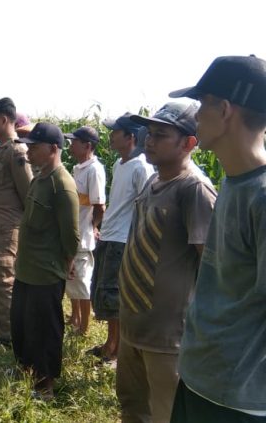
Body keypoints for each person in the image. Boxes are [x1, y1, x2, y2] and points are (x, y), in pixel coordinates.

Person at [170, 55, 266, 422]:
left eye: (202, 103)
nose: (196, 116)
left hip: (236, 402)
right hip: (200, 381)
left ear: (225, 109)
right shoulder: (232, 180)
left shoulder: (262, 196)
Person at [112, 103, 217, 423]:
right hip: (133, 326)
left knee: (166, 414)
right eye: (150, 133)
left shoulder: (194, 189)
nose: (150, 141)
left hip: (168, 338)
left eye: (161, 135)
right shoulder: (152, 181)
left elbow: (212, 268)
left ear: (189, 143)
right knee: (132, 408)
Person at [12, 122, 79, 400]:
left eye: (34, 147)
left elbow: (71, 236)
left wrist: (67, 262)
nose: (29, 152)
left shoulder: (62, 184)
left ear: (53, 149)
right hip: (26, 268)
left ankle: (45, 386)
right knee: (22, 326)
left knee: (44, 331)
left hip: (46, 272)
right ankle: (27, 372)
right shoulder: (40, 178)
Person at [88, 113, 154, 362]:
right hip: (109, 235)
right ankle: (110, 342)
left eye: (116, 132)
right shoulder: (119, 164)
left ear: (131, 137)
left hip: (122, 240)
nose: (111, 136)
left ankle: (115, 350)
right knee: (103, 292)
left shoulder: (141, 167)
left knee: (114, 296)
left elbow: (146, 206)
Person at [0, 97, 33, 347]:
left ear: (3, 120)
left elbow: (28, 195)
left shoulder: (17, 151)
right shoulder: (2, 148)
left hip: (6, 229)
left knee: (3, 280)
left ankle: (8, 335)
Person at [64, 126, 106, 336]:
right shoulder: (78, 167)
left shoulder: (94, 170)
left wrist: (93, 226)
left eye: (75, 142)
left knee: (82, 281)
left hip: (83, 235)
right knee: (72, 280)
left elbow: (99, 205)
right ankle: (75, 317)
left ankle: (84, 327)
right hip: (74, 232)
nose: (70, 146)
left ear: (87, 146)